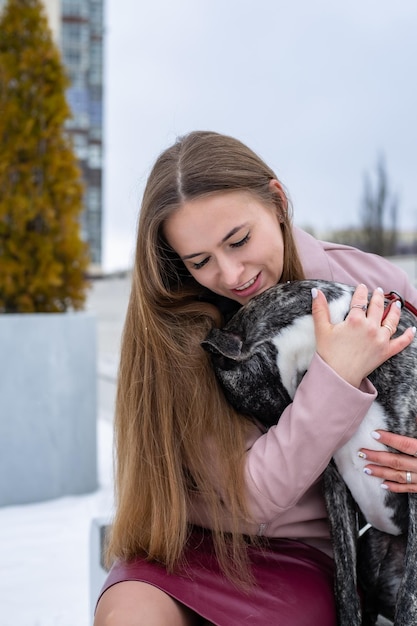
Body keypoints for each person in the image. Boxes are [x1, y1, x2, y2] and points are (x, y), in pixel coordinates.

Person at [94, 131, 417, 626]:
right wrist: (337, 376)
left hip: (303, 551)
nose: (230, 274)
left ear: (278, 202)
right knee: (129, 617)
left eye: (239, 240)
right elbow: (252, 498)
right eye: (199, 261)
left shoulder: (368, 285)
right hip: (186, 541)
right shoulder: (180, 327)